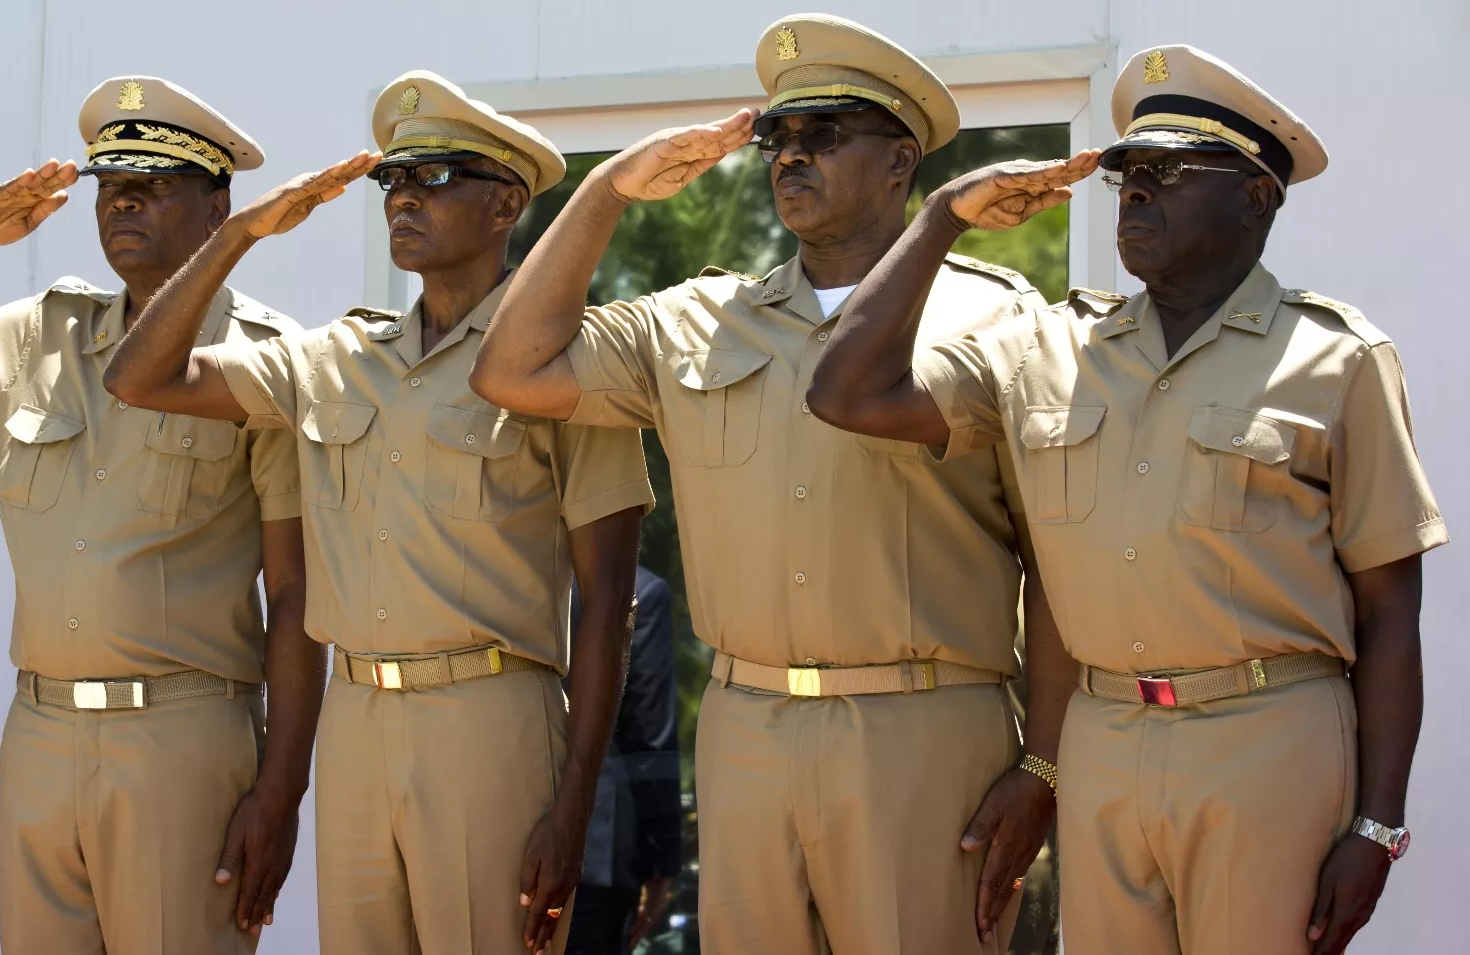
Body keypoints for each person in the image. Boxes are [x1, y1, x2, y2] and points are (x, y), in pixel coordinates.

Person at [805, 44, 1444, 955]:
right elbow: (845, 393)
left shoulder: (1337, 360)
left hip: (1267, 736)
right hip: (1101, 740)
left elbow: (1390, 610)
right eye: (1126, 173)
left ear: (1255, 198)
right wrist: (943, 216)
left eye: (1167, 173)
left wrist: (1377, 825)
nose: (1133, 192)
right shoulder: (1047, 347)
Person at [471, 14, 1071, 953]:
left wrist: (1041, 762)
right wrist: (604, 191)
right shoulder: (702, 319)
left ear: (898, 161)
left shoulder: (996, 317)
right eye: (776, 141)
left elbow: (1055, 562)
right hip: (746, 731)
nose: (789, 158)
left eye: (822, 135)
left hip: (922, 727)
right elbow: (510, 368)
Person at [102, 71, 654, 955]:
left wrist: (575, 802)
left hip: (491, 718)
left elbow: (608, 602)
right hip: (354, 718)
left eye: (432, 179)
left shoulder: (564, 368)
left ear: (505, 203)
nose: (402, 199)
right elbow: (138, 378)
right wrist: (238, 235)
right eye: (392, 182)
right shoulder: (334, 357)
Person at [0, 77, 315, 954]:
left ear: (218, 208)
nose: (122, 199)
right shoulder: (34, 335)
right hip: (41, 734)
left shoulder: (263, 362)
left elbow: (293, 591)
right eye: (109, 184)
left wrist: (280, 791)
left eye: (155, 184)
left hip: (184, 737)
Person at [564, 566, 681, 955]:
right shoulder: (641, 593)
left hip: (501, 839)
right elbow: (649, 741)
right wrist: (661, 862)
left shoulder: (511, 580)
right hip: (599, 852)